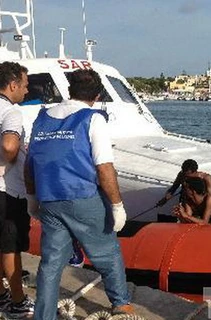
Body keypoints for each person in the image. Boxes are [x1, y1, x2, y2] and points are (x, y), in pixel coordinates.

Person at [25, 69, 133, 319]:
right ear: (96, 96)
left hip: (49, 199)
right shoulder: (93, 118)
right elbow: (104, 167)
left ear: (70, 90)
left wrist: (32, 199)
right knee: (107, 251)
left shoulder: (42, 118)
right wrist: (117, 205)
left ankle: (45, 315)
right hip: (82, 197)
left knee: (50, 262)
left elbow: (30, 164)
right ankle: (121, 303)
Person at [0, 61, 35, 317]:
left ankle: (1, 296)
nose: (26, 90)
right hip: (6, 191)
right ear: (12, 85)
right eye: (24, 84)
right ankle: (18, 301)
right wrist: (7, 160)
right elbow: (11, 146)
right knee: (10, 247)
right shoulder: (11, 112)